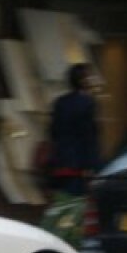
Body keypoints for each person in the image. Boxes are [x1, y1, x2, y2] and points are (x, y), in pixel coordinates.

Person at [47, 62, 100, 197]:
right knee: (75, 203)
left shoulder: (60, 102)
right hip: (78, 166)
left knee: (62, 201)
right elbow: (88, 136)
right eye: (90, 77)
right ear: (83, 81)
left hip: (60, 162)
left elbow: (53, 131)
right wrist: (92, 166)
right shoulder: (87, 103)